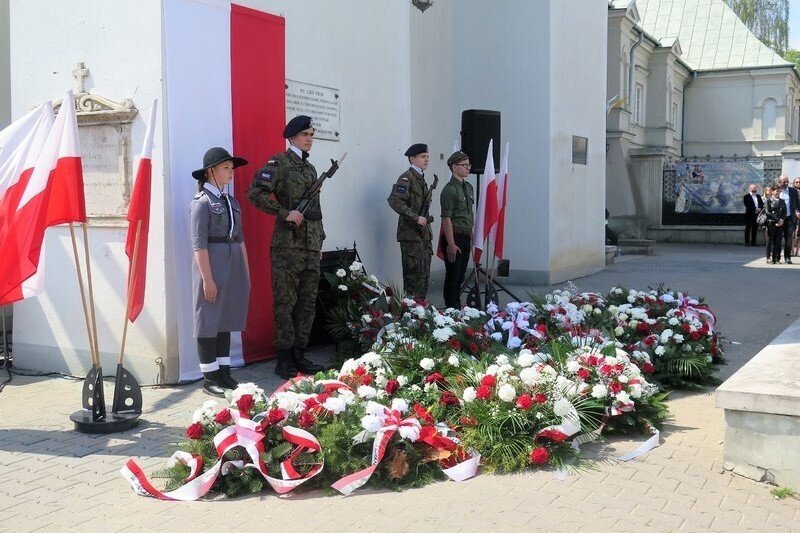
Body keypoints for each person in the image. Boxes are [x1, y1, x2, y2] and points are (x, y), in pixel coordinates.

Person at [248, 115, 326, 380]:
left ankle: (299, 354)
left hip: (310, 246)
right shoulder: (278, 163)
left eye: (312, 134)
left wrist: (320, 240)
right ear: (291, 137)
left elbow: (315, 209)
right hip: (287, 247)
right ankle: (284, 359)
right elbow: (255, 193)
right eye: (306, 134)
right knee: (285, 303)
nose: (310, 139)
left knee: (307, 303)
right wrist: (284, 212)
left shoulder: (311, 169)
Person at [190, 147, 251, 396]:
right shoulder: (201, 203)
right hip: (212, 262)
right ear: (210, 171)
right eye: (226, 168)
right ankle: (210, 377)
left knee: (226, 317)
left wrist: (245, 273)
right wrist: (207, 279)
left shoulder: (231, 201)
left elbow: (240, 239)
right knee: (208, 319)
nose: (231, 172)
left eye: (231, 168)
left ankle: (224, 372)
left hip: (232, 261)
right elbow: (199, 244)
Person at [387, 143, 433, 299]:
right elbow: (395, 200)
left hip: (422, 236)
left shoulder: (421, 178)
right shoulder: (407, 177)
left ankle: (421, 314)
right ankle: (412, 316)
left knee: (424, 278)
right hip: (411, 236)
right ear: (412, 158)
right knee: (413, 280)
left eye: (427, 156)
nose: (426, 159)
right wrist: (415, 217)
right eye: (422, 157)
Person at [439, 151, 474, 309]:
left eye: (469, 165)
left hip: (465, 236)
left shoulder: (468, 187)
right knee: (453, 275)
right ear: (454, 167)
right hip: (454, 237)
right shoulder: (449, 190)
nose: (468, 168)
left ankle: (456, 304)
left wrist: (471, 235)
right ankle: (451, 307)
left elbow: (468, 214)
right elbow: (446, 219)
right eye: (464, 165)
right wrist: (451, 243)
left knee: (461, 276)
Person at [776, 175, 800, 264]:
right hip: (779, 219)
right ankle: (777, 257)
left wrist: (798, 211)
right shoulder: (776, 191)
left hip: (790, 218)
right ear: (779, 182)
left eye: (787, 181)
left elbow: (798, 203)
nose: (786, 183)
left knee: (789, 239)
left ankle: (787, 258)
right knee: (778, 239)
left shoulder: (793, 191)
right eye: (784, 181)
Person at [764, 187, 787, 264]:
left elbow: (785, 212)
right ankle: (768, 257)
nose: (778, 193)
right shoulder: (768, 200)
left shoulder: (782, 201)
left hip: (780, 223)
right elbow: (768, 212)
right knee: (770, 240)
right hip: (771, 223)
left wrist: (782, 220)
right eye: (776, 191)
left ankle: (775, 258)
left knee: (777, 241)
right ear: (772, 192)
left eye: (779, 191)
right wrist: (778, 220)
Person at [762, 186, 773, 262]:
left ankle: (770, 248)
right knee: (766, 235)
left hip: (771, 219)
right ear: (765, 191)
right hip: (765, 219)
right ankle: (768, 248)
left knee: (770, 236)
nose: (769, 191)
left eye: (770, 190)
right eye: (767, 190)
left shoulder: (773, 199)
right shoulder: (763, 199)